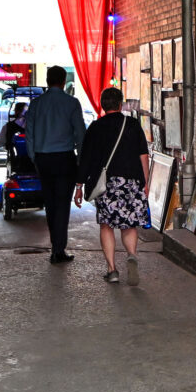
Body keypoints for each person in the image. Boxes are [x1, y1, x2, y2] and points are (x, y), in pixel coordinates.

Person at [75, 86, 149, 285]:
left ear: (102, 105)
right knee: (129, 223)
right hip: (132, 181)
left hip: (107, 184)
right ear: (120, 104)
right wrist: (146, 182)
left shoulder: (96, 127)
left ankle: (112, 270)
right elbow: (144, 155)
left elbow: (86, 159)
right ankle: (131, 255)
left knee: (107, 225)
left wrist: (79, 185)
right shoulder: (132, 124)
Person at [25, 65, 85, 262]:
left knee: (50, 203)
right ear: (63, 81)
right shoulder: (72, 103)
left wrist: (35, 157)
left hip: (43, 158)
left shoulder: (36, 104)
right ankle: (59, 248)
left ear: (48, 80)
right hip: (64, 158)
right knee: (62, 204)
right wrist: (80, 159)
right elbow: (80, 135)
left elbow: (30, 135)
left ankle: (55, 246)